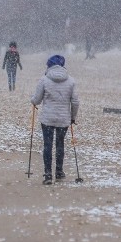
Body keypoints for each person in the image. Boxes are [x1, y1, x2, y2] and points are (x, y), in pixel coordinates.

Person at [30, 54, 79, 185]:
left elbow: (37, 100)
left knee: (47, 145)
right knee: (60, 144)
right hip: (63, 119)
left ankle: (47, 174)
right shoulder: (71, 81)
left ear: (49, 65)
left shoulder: (44, 80)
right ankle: (59, 171)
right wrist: (73, 117)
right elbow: (75, 102)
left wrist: (32, 100)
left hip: (47, 118)